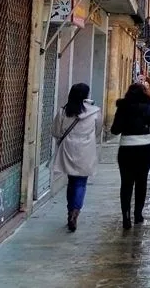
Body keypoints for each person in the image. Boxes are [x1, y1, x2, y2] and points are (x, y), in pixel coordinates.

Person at [110, 82, 150, 229]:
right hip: (145, 148)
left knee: (126, 183)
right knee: (142, 181)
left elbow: (115, 130)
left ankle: (126, 217)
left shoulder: (122, 108)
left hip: (126, 148)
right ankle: (138, 214)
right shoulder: (149, 108)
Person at [52, 83, 102, 232]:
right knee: (81, 183)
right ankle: (75, 212)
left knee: (72, 181)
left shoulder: (64, 111)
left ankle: (70, 211)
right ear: (87, 95)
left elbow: (56, 131)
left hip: (68, 149)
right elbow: (98, 131)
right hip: (86, 150)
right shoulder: (94, 112)